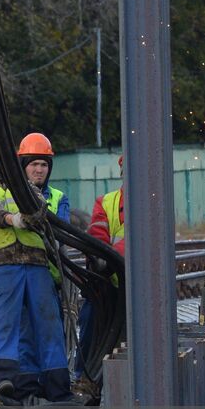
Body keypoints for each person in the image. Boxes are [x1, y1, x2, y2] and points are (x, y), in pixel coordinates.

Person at [0, 139, 71, 402]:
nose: (0, 158)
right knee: (6, 324)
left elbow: (39, 204)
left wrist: (32, 213)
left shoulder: (21, 185)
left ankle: (57, 388)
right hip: (2, 263)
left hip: (36, 263)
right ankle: (5, 384)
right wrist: (14, 219)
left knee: (48, 326)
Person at [75, 154, 125, 380]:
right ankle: (85, 378)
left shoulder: (153, 203)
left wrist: (115, 254)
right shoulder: (107, 202)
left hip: (140, 289)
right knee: (90, 320)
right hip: (108, 284)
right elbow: (97, 239)